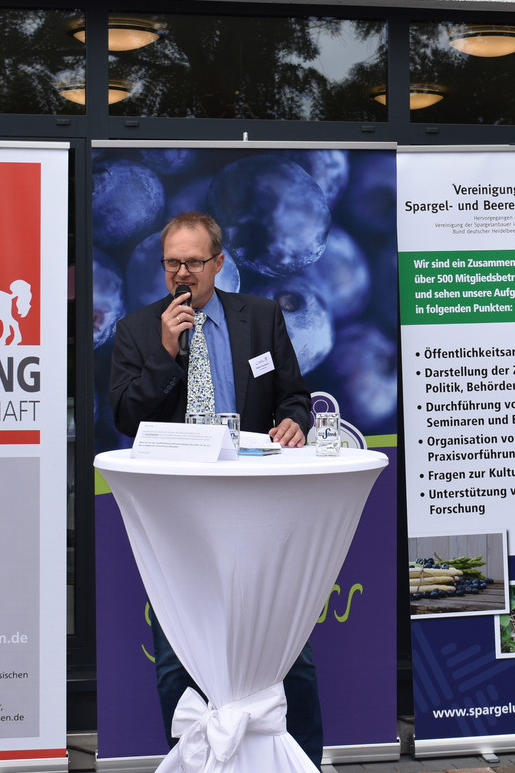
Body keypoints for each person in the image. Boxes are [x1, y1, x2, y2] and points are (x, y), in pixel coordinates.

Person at [108, 211, 321, 765]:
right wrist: (165, 351)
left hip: (257, 512)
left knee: (287, 655)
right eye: (172, 263)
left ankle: (302, 762)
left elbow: (294, 395)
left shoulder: (261, 316)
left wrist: (295, 419)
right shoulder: (138, 330)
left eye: (194, 262)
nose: (182, 274)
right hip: (180, 521)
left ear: (219, 263)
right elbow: (127, 416)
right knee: (177, 659)